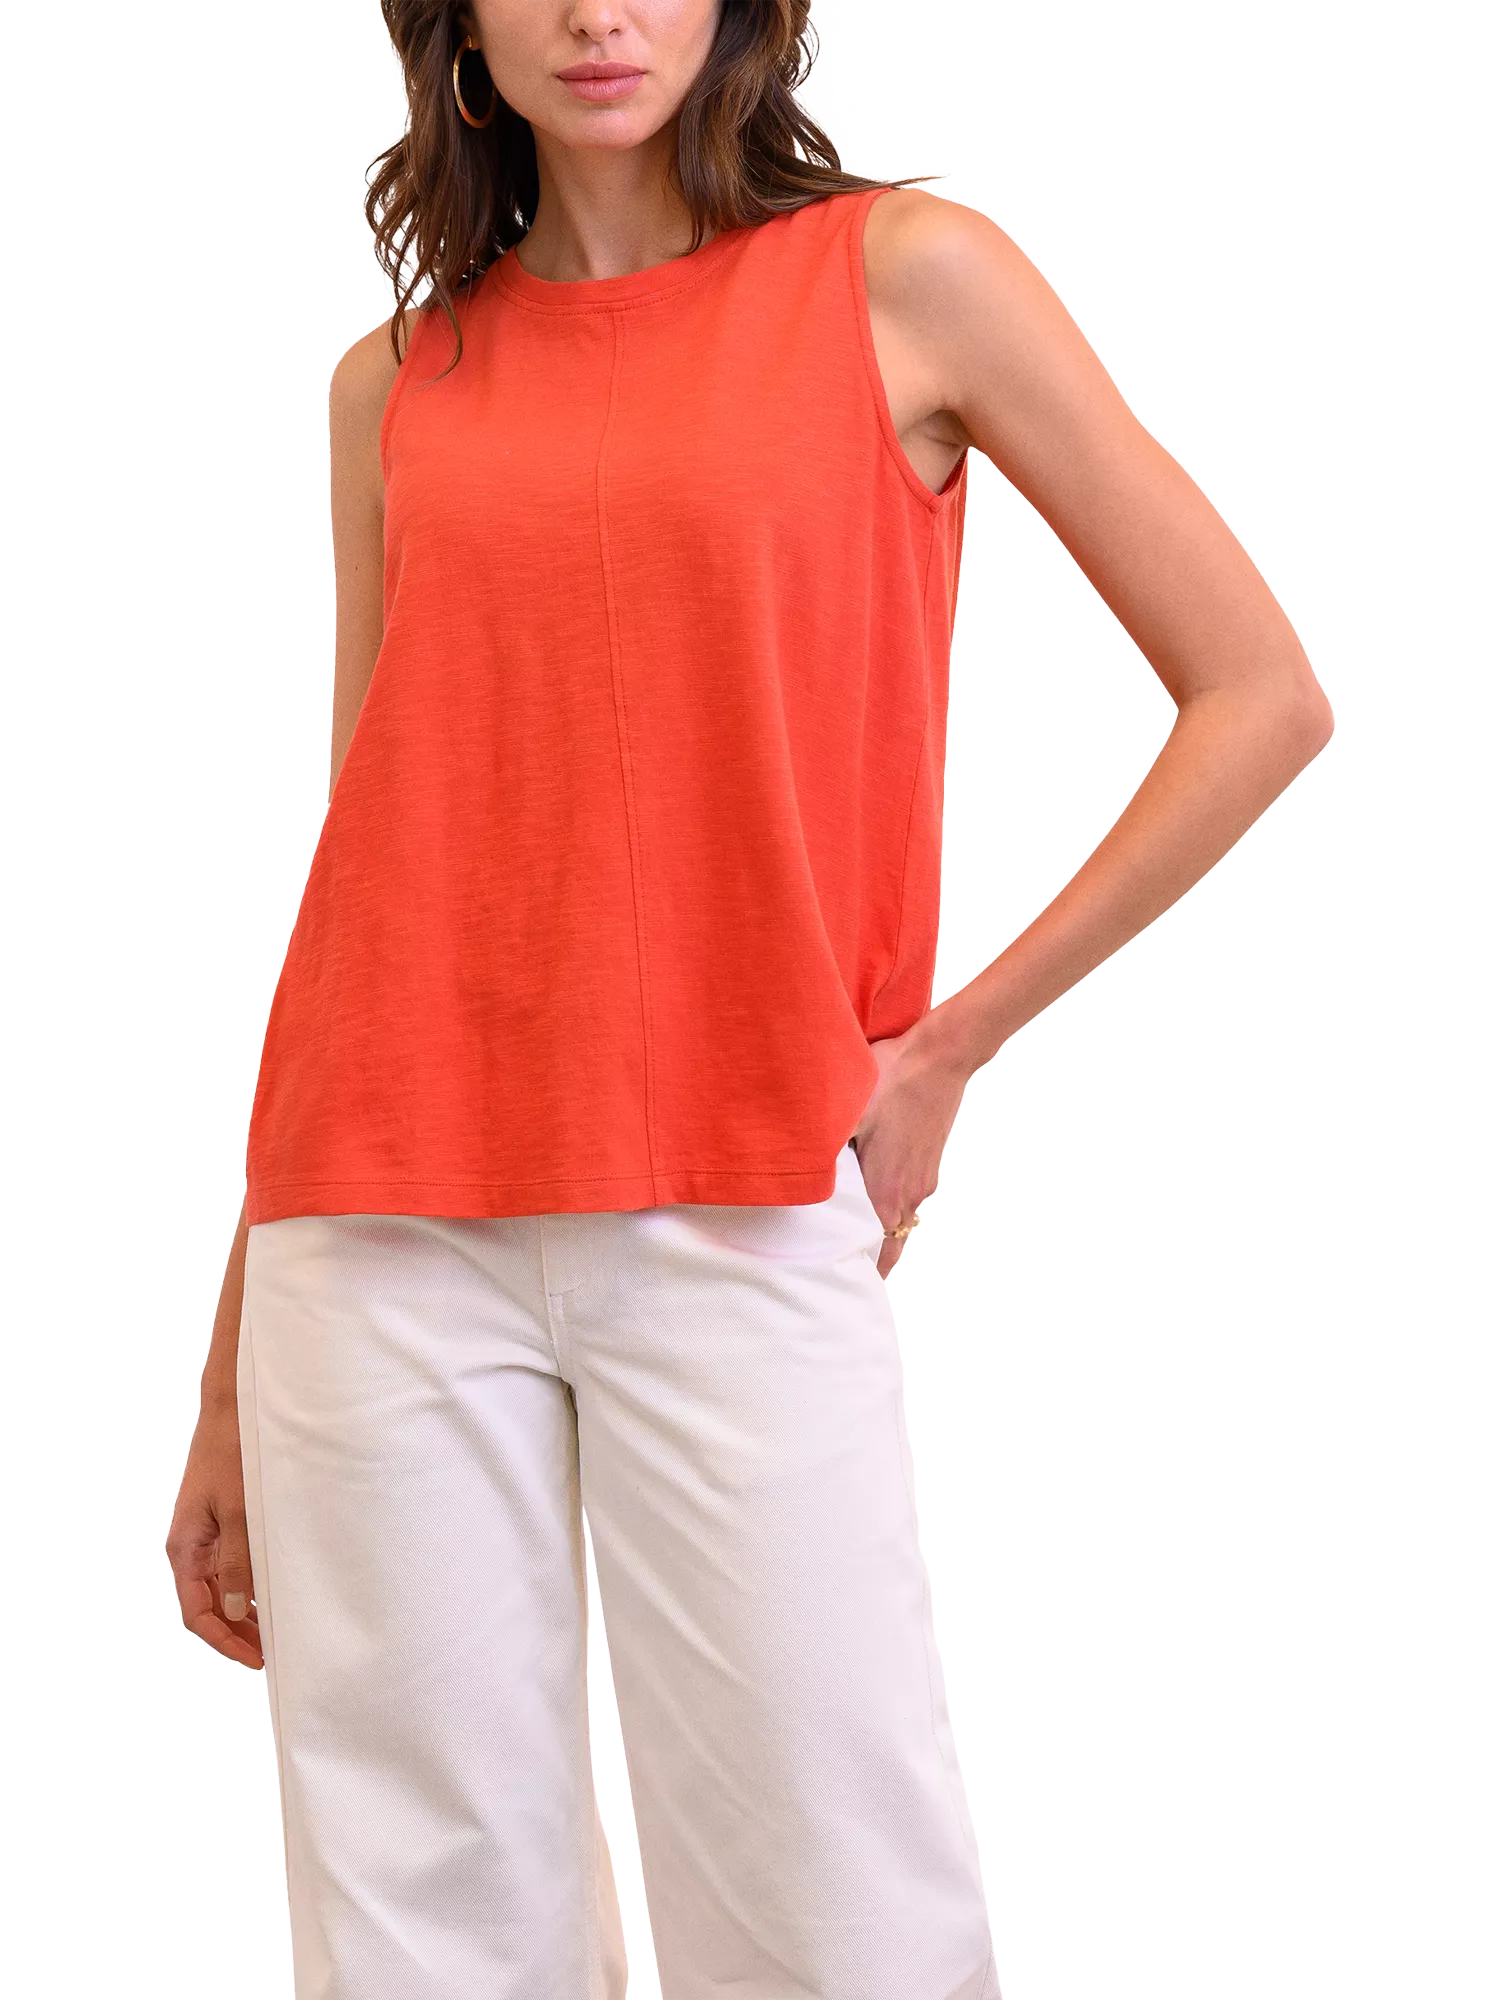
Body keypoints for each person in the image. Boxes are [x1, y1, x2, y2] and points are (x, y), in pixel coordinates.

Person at [166, 4, 1334, 1997]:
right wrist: (223, 1370)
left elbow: (1261, 696)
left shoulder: (910, 279)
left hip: (738, 1190)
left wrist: (951, 1044)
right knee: (417, 1933)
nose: (595, 13)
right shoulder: (394, 384)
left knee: (834, 1914)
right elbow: (369, 852)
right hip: (367, 1235)